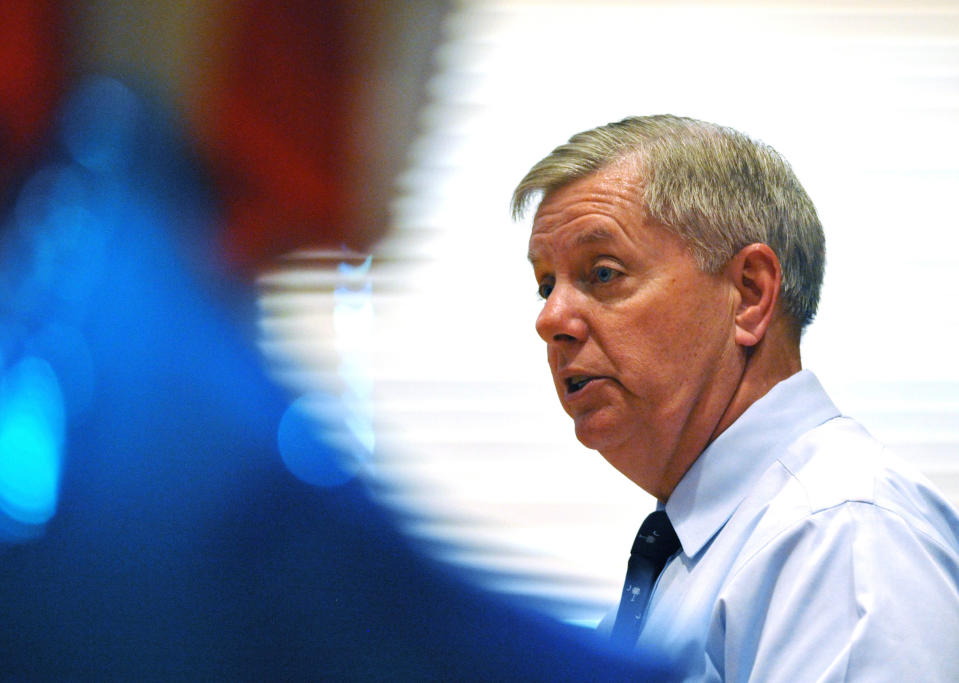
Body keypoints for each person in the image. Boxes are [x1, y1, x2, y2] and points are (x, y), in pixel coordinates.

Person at [512, 114, 959, 680]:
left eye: (603, 272)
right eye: (546, 284)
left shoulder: (837, 534)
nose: (550, 319)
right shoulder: (693, 547)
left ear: (749, 294)